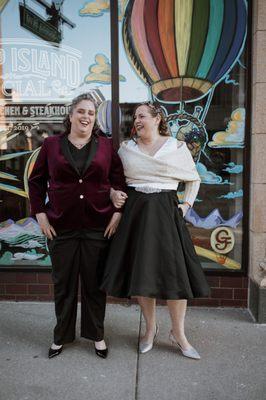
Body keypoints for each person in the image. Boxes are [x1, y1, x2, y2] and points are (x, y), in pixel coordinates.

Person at [101, 102, 210, 360]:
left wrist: (186, 205)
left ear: (157, 118)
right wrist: (112, 193)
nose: (137, 120)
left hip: (166, 211)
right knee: (143, 273)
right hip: (136, 213)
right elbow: (111, 179)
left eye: (141, 116)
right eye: (135, 117)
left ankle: (179, 334)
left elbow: (193, 178)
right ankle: (150, 329)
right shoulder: (126, 149)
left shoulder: (176, 147)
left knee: (176, 275)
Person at [28, 93, 126, 359]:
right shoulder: (51, 145)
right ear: (71, 115)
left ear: (95, 119)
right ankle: (61, 336)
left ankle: (97, 336)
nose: (85, 117)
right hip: (60, 226)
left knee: (94, 285)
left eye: (91, 113)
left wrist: (117, 212)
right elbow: (36, 182)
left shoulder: (106, 146)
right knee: (64, 285)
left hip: (98, 225)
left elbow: (119, 181)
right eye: (81, 111)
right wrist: (40, 214)